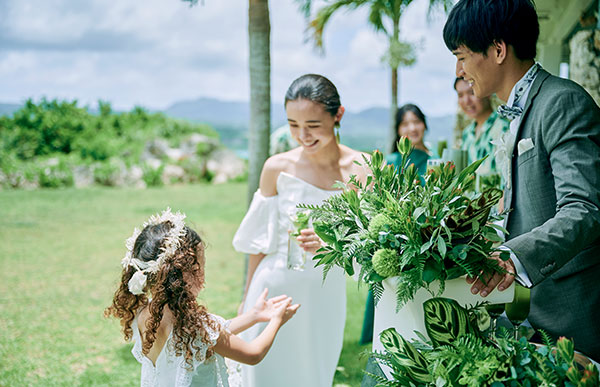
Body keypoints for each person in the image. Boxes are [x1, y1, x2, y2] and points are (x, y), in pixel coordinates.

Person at [444, 0, 600, 359]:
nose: (459, 69)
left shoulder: (562, 102)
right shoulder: (518, 109)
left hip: (575, 316)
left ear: (498, 50)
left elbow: (585, 207)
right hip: (534, 315)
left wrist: (513, 258)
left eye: (463, 56)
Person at [232, 73, 368, 387]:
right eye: (293, 125)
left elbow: (375, 241)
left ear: (338, 116)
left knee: (313, 376)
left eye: (313, 126)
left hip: (325, 296)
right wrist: (247, 300)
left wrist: (334, 244)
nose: (302, 136)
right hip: (273, 289)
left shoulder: (364, 169)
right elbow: (258, 243)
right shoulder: (276, 168)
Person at [105, 208, 299, 386]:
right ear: (184, 274)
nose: (203, 275)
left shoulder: (143, 314)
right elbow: (253, 354)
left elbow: (213, 335)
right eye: (201, 266)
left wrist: (254, 315)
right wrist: (276, 320)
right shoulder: (197, 325)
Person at [359, 103, 434, 347]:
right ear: (398, 130)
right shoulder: (390, 162)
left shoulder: (435, 162)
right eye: (405, 123)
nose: (412, 128)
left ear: (424, 124)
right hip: (394, 235)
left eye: (416, 121)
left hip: (423, 236)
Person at [454, 77, 509, 187]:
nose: (466, 101)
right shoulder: (467, 134)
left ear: (487, 93)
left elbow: (507, 181)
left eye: (471, 93)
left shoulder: (503, 129)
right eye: (460, 95)